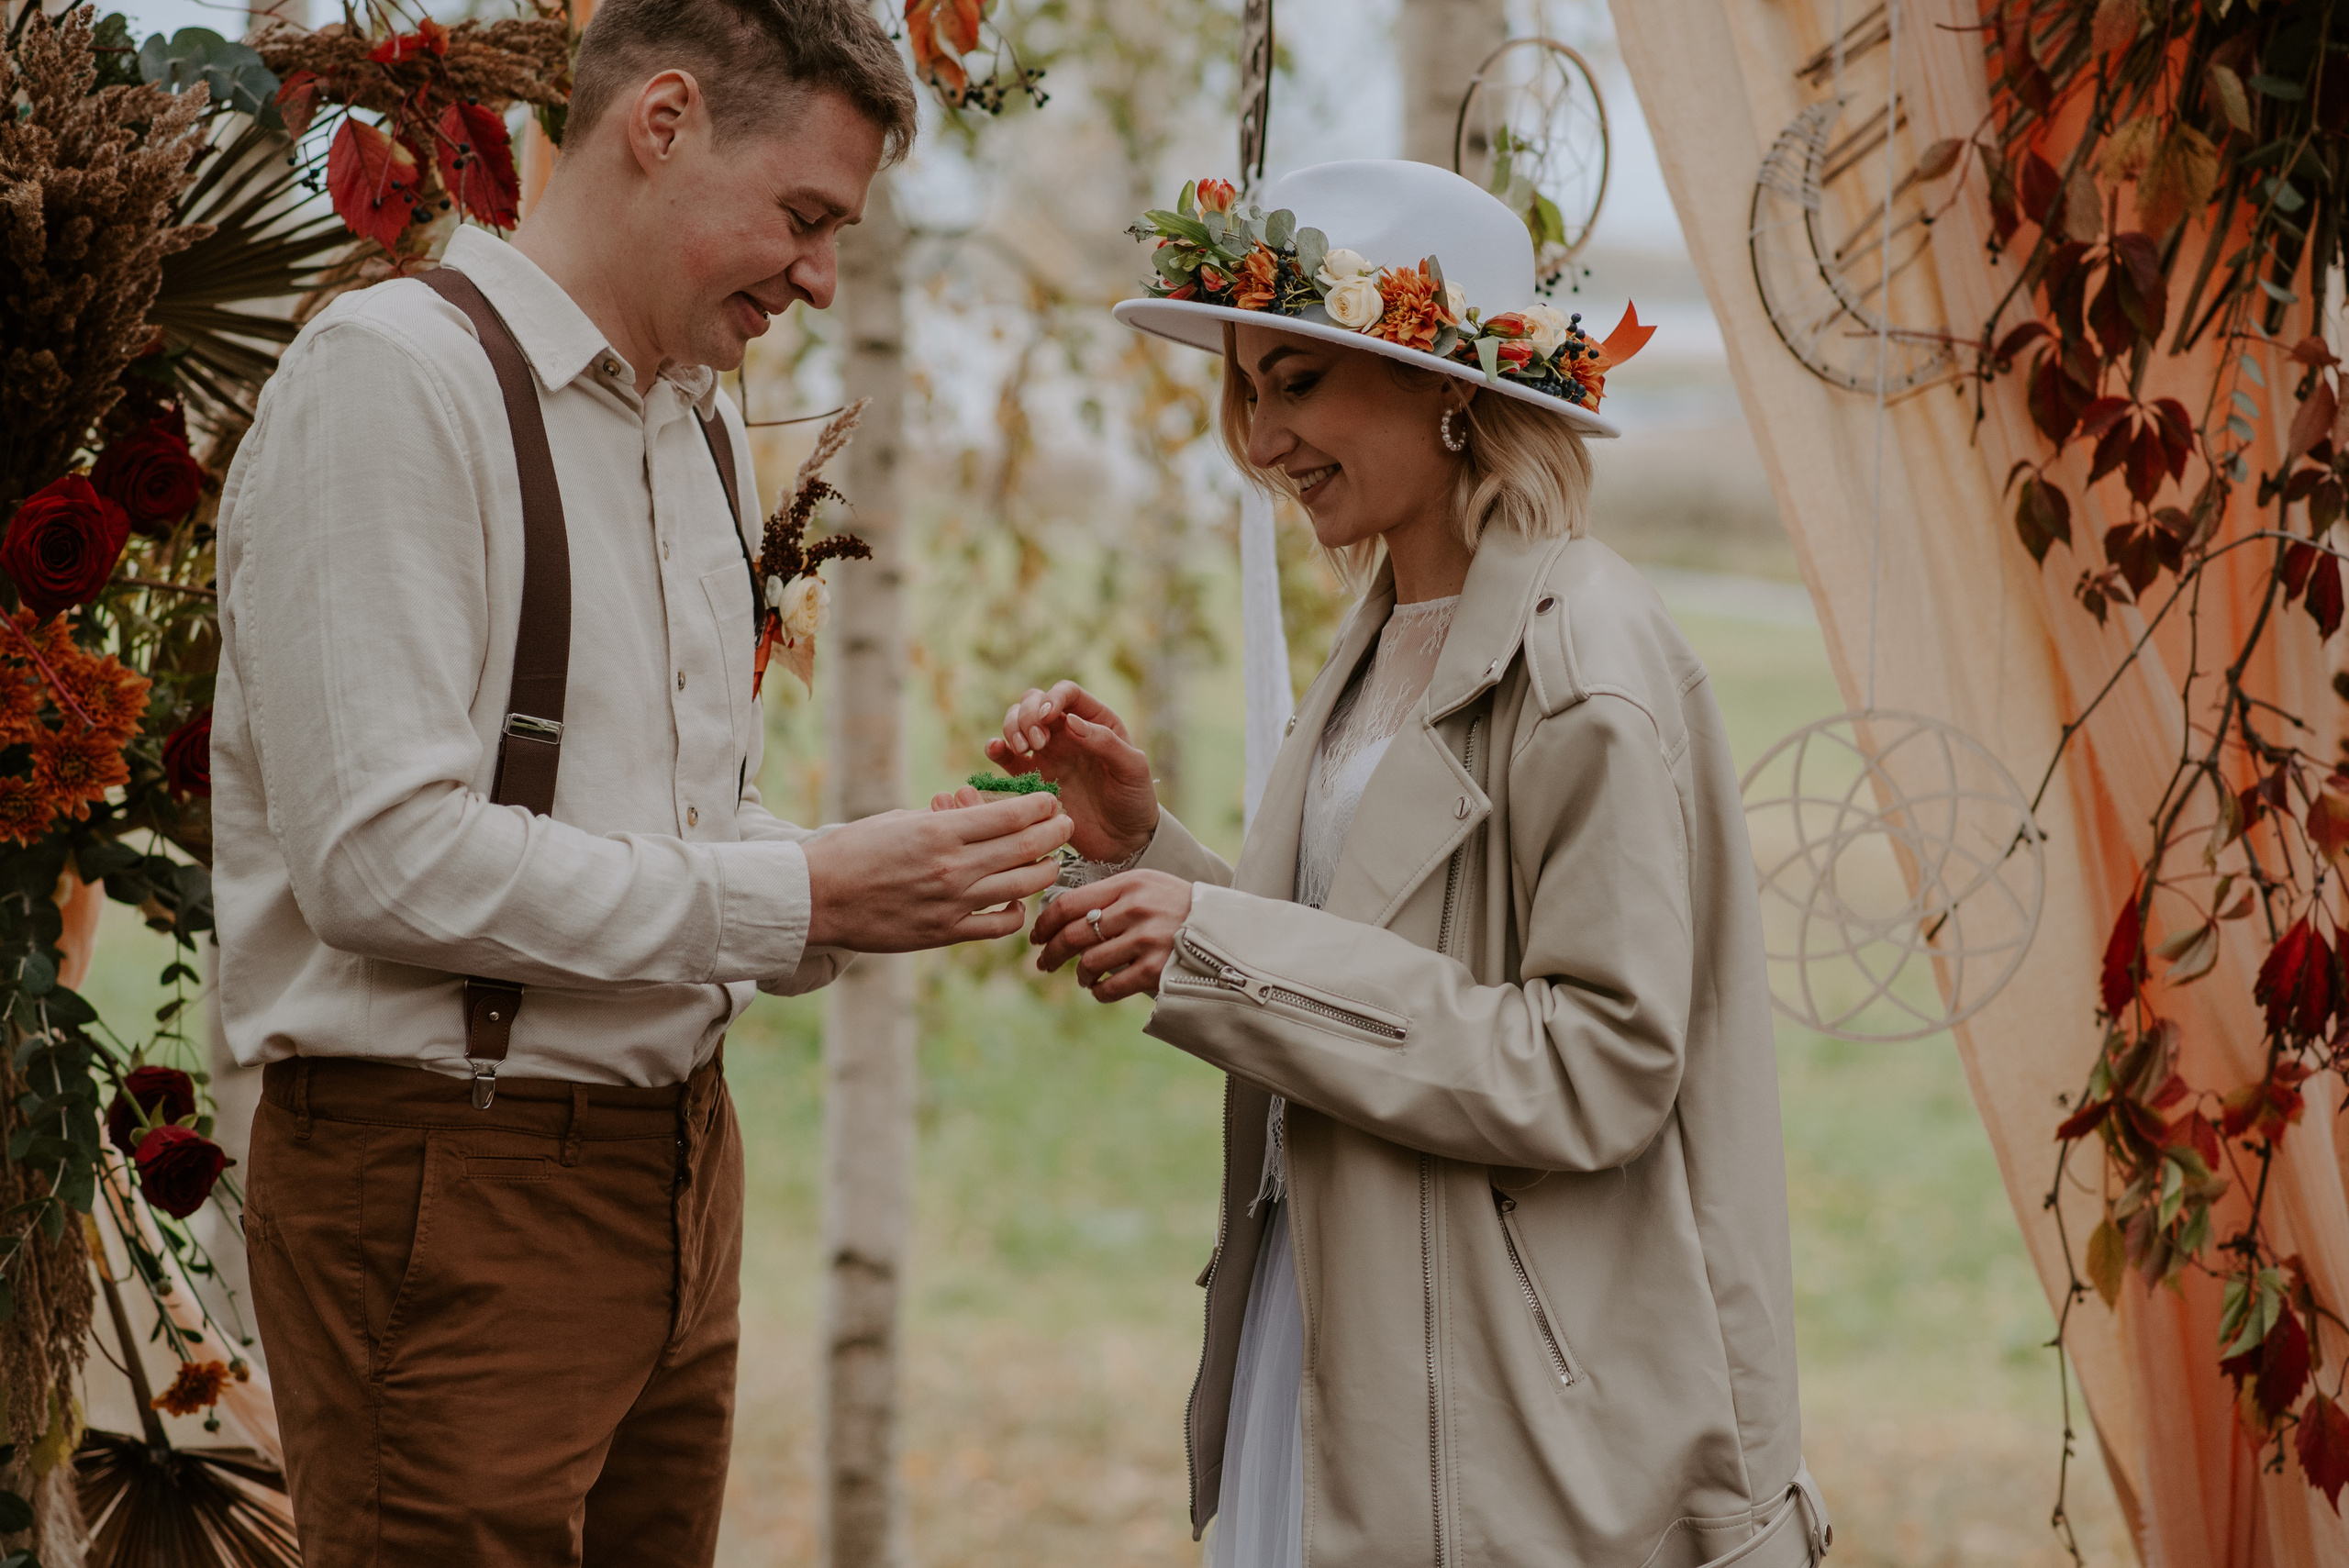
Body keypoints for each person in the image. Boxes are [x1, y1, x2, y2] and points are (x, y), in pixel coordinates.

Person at [212, 1, 1071, 1561]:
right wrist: (798, 888)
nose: (821, 276)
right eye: (805, 217)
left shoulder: (699, 429)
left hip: (679, 1168)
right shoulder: (393, 382)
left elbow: (661, 835)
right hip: (442, 1175)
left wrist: (862, 885)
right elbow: (380, 861)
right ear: (660, 122)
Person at [955, 161, 1829, 1566]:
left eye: (1296, 382)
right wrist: (1141, 846)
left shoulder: (1582, 661)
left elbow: (1600, 1058)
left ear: (1450, 386)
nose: (1259, 437)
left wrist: (1216, 945)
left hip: (1496, 1398)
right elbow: (1363, 956)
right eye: (1244, 388)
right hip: (1332, 1325)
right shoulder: (1384, 630)